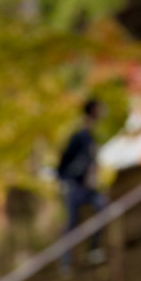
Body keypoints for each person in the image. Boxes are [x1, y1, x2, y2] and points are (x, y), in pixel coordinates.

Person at [56, 96, 104, 267]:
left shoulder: (91, 137)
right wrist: (62, 180)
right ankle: (66, 261)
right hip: (74, 187)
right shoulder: (79, 137)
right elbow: (62, 162)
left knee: (102, 207)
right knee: (71, 222)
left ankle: (93, 249)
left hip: (88, 186)